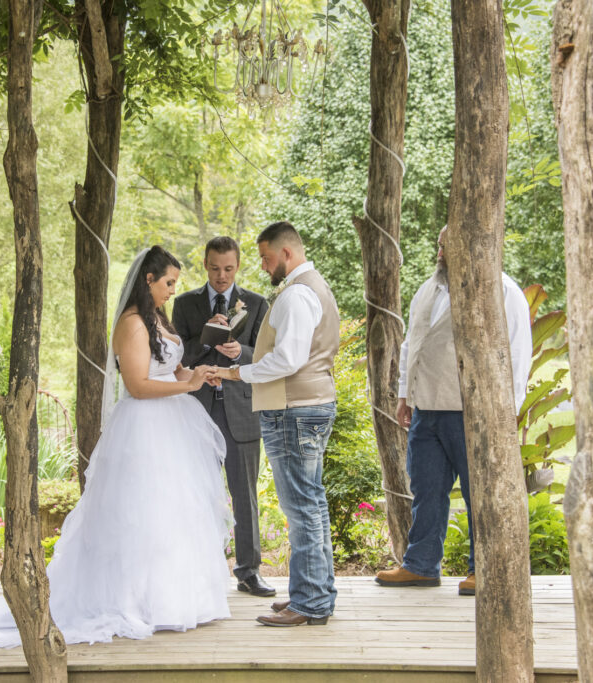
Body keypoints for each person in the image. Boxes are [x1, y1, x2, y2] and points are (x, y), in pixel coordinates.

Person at [0, 246, 232, 646]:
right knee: (144, 510)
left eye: (175, 283)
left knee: (173, 509)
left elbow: (170, 368)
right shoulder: (132, 323)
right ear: (149, 280)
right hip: (145, 427)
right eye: (169, 282)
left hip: (173, 424)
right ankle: (138, 599)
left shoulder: (157, 319)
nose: (173, 290)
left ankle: (174, 597)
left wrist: (196, 374)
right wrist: (186, 385)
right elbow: (136, 385)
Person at [374, 226, 531, 596]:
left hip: (473, 413)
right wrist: (403, 395)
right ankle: (421, 565)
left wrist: (507, 415)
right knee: (426, 489)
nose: (440, 252)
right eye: (439, 244)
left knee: (480, 493)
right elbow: (412, 345)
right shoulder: (428, 289)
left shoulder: (504, 292)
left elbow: (518, 356)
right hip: (426, 409)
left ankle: (485, 568)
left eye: (447, 246)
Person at [217, 221, 341, 628]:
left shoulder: (297, 294)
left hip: (294, 410)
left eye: (267, 258)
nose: (264, 266)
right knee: (313, 505)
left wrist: (239, 373)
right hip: (308, 405)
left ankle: (308, 603)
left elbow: (287, 360)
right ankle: (317, 594)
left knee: (301, 507)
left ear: (286, 254)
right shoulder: (312, 287)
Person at [172, 236, 273, 598]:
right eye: (215, 268)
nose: (221, 276)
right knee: (200, 492)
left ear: (238, 265)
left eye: (228, 269)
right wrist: (206, 340)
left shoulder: (259, 304)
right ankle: (205, 572)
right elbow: (176, 356)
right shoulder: (184, 304)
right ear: (205, 264)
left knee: (244, 495)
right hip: (197, 408)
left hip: (241, 410)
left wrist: (240, 351)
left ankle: (249, 572)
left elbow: (265, 355)